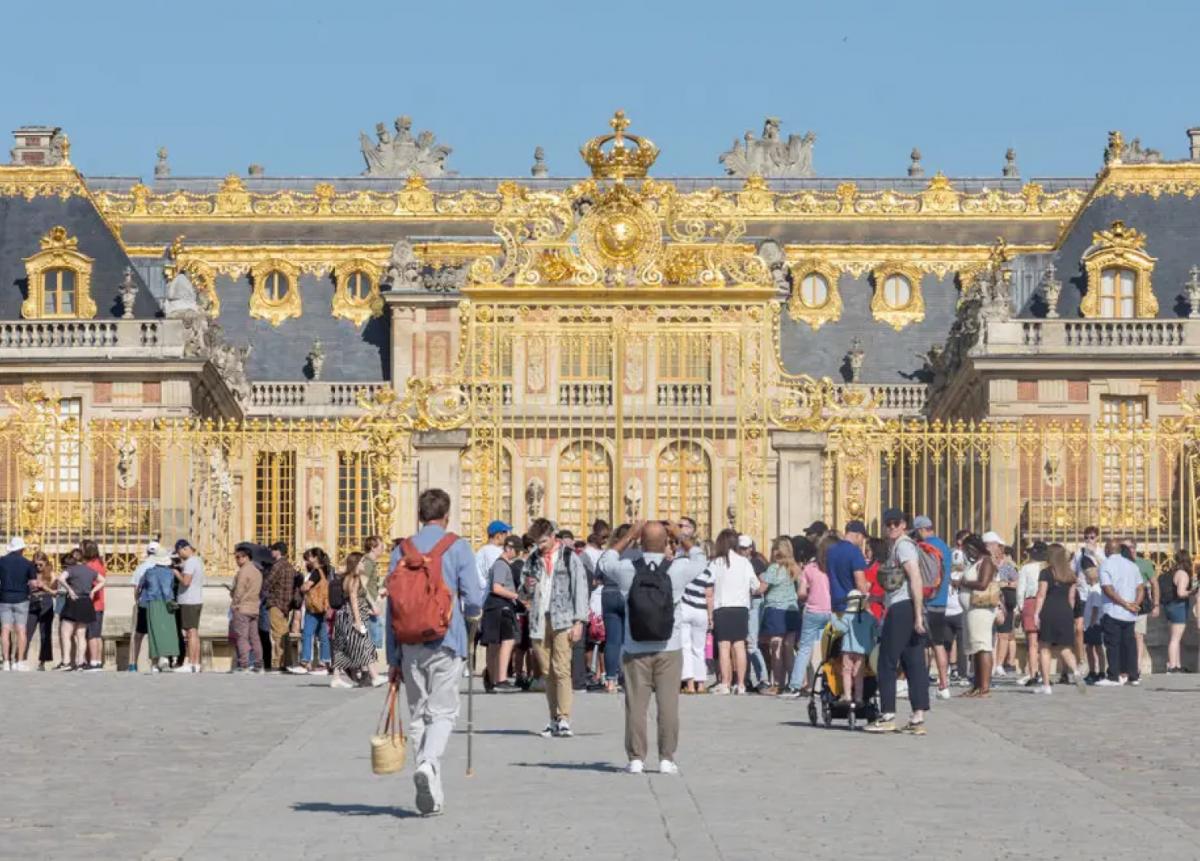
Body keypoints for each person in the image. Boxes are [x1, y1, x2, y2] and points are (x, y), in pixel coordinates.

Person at [386, 487, 483, 817]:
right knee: (443, 712)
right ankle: (428, 765)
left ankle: (433, 796)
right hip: (446, 640)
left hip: (408, 642)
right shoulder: (457, 546)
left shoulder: (402, 549)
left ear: (419, 515)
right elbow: (474, 599)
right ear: (447, 516)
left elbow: (392, 605)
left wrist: (392, 655)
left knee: (418, 715)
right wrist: (471, 620)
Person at [600, 520, 693, 775]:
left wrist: (627, 537)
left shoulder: (627, 569)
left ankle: (636, 758)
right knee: (668, 706)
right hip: (669, 646)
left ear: (640, 542)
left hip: (635, 646)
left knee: (636, 707)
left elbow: (605, 561)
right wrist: (681, 536)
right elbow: (701, 558)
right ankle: (666, 758)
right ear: (666, 542)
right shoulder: (678, 568)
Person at [865, 509, 929, 735]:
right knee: (913, 662)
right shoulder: (900, 546)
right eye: (888, 523)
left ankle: (888, 714)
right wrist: (877, 599)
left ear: (903, 524)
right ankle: (917, 717)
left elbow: (915, 578)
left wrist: (918, 615)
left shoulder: (903, 546)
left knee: (887, 660)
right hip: (905, 606)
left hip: (903, 609)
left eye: (895, 523)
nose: (891, 527)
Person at [526, 518, 588, 736]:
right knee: (547, 672)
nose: (540, 546)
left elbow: (580, 588)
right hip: (539, 619)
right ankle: (553, 718)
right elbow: (522, 589)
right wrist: (527, 586)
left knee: (561, 669)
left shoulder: (569, 557)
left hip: (563, 618)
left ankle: (564, 717)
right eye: (537, 542)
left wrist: (579, 621)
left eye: (543, 541)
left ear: (553, 537)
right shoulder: (532, 559)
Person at [709, 528, 763, 695]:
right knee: (739, 646)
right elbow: (756, 586)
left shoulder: (716, 563)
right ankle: (741, 684)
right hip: (741, 608)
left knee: (724, 647)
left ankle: (725, 683)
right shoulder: (744, 562)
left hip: (722, 607)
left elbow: (708, 586)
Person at [1033, 544, 1087, 694]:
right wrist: (1069, 614)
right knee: (1065, 648)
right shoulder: (1070, 574)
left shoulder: (1046, 572)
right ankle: (1076, 672)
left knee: (1044, 648)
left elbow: (1041, 595)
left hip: (1049, 610)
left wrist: (1036, 614)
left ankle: (1046, 685)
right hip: (1066, 612)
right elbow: (1072, 598)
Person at [784, 535, 830, 697]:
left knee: (804, 649)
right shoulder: (834, 568)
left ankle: (795, 685)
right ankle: (824, 685)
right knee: (828, 650)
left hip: (813, 612)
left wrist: (809, 594)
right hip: (831, 612)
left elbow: (801, 593)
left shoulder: (810, 568)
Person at [959, 532, 1003, 698]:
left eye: (967, 549)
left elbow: (983, 584)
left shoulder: (986, 561)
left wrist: (964, 583)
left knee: (983, 646)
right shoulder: (976, 562)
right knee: (975, 649)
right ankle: (977, 685)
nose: (966, 553)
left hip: (981, 610)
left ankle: (984, 687)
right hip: (971, 610)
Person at [331, 551, 384, 689]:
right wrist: (358, 621)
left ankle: (336, 677)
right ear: (356, 564)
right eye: (361, 562)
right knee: (364, 645)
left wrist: (371, 607)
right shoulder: (354, 579)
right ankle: (374, 676)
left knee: (342, 647)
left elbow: (362, 596)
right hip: (353, 616)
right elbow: (353, 601)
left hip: (347, 615)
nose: (363, 565)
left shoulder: (351, 578)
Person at [913, 516, 952, 700]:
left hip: (925, 600)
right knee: (938, 644)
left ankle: (921, 681)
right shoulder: (945, 547)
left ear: (921, 530)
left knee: (920, 645)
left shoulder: (921, 547)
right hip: (941, 601)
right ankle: (944, 684)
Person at [1096, 539, 1144, 687]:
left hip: (1113, 611)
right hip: (1129, 614)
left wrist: (1124, 604)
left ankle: (1113, 676)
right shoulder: (1132, 565)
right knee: (1129, 645)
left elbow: (1107, 589)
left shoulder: (1106, 564)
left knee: (1113, 645)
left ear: (1108, 550)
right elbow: (1140, 588)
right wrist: (1135, 604)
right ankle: (1133, 676)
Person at [758, 536, 801, 693]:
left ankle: (778, 683)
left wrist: (754, 587)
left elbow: (762, 588)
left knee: (776, 648)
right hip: (792, 611)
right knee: (789, 649)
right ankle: (794, 682)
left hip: (776, 610)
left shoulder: (774, 569)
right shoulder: (795, 568)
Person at [481, 535, 522, 692]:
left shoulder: (499, 564)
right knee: (508, 640)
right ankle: (501, 680)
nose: (517, 555)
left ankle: (492, 679)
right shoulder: (501, 565)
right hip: (501, 607)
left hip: (493, 607)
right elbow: (497, 587)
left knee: (494, 644)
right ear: (509, 549)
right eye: (516, 551)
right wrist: (515, 596)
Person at [674, 522, 710, 694]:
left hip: (685, 608)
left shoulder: (682, 566)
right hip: (701, 610)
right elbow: (710, 593)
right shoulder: (706, 569)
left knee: (685, 647)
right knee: (699, 649)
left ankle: (689, 683)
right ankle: (701, 683)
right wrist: (711, 615)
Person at [830, 589, 878, 705]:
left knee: (847, 672)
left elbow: (841, 629)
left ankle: (847, 696)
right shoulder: (869, 617)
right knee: (858, 674)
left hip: (847, 650)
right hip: (862, 651)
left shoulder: (847, 616)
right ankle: (858, 697)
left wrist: (833, 618)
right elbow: (875, 632)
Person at [56, 554, 103, 671]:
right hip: (86, 602)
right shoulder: (90, 570)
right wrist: (93, 591)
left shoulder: (71, 569)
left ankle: (66, 662)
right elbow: (103, 580)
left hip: (74, 601)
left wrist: (70, 590)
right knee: (81, 635)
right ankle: (80, 662)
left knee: (66, 633)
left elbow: (60, 578)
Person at [599, 523, 630, 694]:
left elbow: (597, 576)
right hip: (627, 594)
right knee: (627, 640)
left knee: (612, 640)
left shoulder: (608, 553)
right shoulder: (635, 554)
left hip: (609, 594)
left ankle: (610, 680)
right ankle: (626, 678)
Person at [139, 549, 180, 671]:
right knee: (167, 631)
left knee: (155, 631)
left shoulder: (148, 572)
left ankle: (156, 661)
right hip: (167, 603)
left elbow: (141, 586)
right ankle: (165, 659)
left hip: (153, 602)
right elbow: (170, 587)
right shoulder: (169, 573)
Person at [0, 535, 35, 671]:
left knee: (5, 630)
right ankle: (19, 662)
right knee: (21, 630)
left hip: (4, 597)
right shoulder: (28, 563)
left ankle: (6, 662)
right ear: (22, 549)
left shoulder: (1, 561)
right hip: (21, 598)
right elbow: (32, 583)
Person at [1072, 526, 1106, 664]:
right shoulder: (1078, 553)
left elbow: (1106, 569)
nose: (1088, 540)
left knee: (1095, 630)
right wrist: (1076, 581)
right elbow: (1073, 571)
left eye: (1091, 537)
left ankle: (1097, 663)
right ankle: (1081, 658)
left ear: (1097, 538)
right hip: (1082, 594)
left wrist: (1094, 554)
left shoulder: (1101, 552)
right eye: (1086, 537)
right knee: (1079, 628)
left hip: (1096, 593)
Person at [738, 535, 768, 691]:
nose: (743, 551)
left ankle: (763, 678)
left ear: (751, 548)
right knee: (743, 642)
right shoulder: (738, 562)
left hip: (754, 602)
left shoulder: (755, 563)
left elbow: (764, 583)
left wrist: (754, 591)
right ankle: (746, 678)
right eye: (740, 548)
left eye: (745, 548)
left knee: (752, 642)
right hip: (742, 603)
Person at [1016, 542, 1048, 687]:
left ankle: (1033, 673)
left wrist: (1020, 607)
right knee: (1045, 642)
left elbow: (1020, 589)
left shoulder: (1026, 568)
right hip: (1047, 602)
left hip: (1031, 601)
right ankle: (1044, 673)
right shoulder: (1049, 567)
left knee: (1032, 642)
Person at [228, 544, 264, 672]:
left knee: (241, 636)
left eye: (238, 557)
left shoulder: (243, 571)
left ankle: (244, 664)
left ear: (245, 557)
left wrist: (234, 605)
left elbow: (239, 591)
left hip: (242, 608)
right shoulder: (257, 571)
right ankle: (258, 663)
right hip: (254, 608)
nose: (236, 560)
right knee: (254, 637)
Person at [297, 547, 332, 674]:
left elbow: (307, 587)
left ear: (315, 558)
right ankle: (325, 662)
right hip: (325, 606)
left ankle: (305, 661)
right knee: (324, 636)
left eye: (309, 557)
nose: (307, 560)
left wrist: (301, 587)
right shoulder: (329, 569)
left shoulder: (316, 571)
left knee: (307, 634)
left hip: (314, 607)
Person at [127, 542, 161, 672]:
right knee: (156, 634)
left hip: (143, 603)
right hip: (157, 604)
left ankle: (133, 664)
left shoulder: (140, 567)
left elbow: (136, 588)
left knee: (138, 635)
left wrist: (137, 601)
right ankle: (155, 664)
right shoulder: (161, 568)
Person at [263, 543, 296, 671]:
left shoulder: (277, 566)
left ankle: (278, 663)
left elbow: (267, 583)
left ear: (278, 551)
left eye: (272, 550)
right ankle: (287, 661)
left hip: (276, 603)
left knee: (277, 635)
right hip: (286, 605)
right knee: (284, 634)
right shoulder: (289, 566)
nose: (271, 553)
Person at [172, 539, 204, 673]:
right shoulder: (197, 560)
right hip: (196, 600)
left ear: (184, 549)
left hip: (188, 601)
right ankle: (195, 664)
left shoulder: (190, 562)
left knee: (190, 633)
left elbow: (186, 582)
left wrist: (176, 572)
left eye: (179, 552)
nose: (179, 555)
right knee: (194, 632)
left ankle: (190, 663)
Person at [1128, 539, 1158, 677]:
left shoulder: (1144, 564)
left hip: (1141, 602)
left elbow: (1154, 584)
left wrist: (1156, 604)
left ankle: (1137, 666)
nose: (1129, 550)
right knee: (1126, 635)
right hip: (1125, 600)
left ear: (1135, 548)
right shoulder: (1121, 563)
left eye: (1131, 547)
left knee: (1138, 635)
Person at [1161, 550, 1193, 673]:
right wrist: (1192, 592)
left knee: (1175, 638)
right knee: (1175, 639)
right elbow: (1181, 593)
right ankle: (1172, 665)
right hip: (1178, 607)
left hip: (1170, 606)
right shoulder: (1183, 574)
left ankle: (1177, 665)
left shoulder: (1173, 571)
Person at [25, 552, 56, 671]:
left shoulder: (51, 574)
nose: (38, 567)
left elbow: (55, 591)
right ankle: (21, 659)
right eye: (35, 565)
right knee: (27, 632)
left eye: (40, 565)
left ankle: (42, 662)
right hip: (32, 602)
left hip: (46, 603)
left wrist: (44, 586)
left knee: (45, 634)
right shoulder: (30, 573)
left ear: (46, 563)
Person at [993, 545, 1019, 676]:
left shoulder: (1008, 566)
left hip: (1005, 602)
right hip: (990, 601)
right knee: (992, 635)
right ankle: (992, 663)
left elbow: (1017, 581)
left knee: (1003, 634)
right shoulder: (987, 564)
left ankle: (999, 664)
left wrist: (1006, 584)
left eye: (997, 551)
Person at [81, 540, 106, 670]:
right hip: (99, 603)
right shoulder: (99, 563)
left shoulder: (91, 566)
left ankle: (93, 661)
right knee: (96, 634)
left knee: (91, 634)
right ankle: (98, 660)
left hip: (93, 603)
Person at [359, 536, 386, 652]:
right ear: (373, 548)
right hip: (368, 606)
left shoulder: (370, 562)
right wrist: (373, 604)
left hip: (369, 604)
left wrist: (378, 590)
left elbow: (368, 585)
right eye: (381, 546)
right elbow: (363, 585)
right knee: (373, 641)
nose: (383, 549)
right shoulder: (368, 563)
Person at [1081, 557, 1105, 681]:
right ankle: (1096, 670)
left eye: (1086, 577)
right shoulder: (1093, 589)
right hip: (1093, 623)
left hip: (1094, 624)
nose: (1085, 579)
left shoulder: (1095, 590)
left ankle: (1097, 671)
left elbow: (1095, 609)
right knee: (1092, 648)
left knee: (1094, 648)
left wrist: (1091, 624)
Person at [475, 520, 511, 595]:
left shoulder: (486, 550)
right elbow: (498, 576)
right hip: (487, 596)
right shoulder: (492, 552)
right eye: (505, 533)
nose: (507, 536)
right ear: (498, 535)